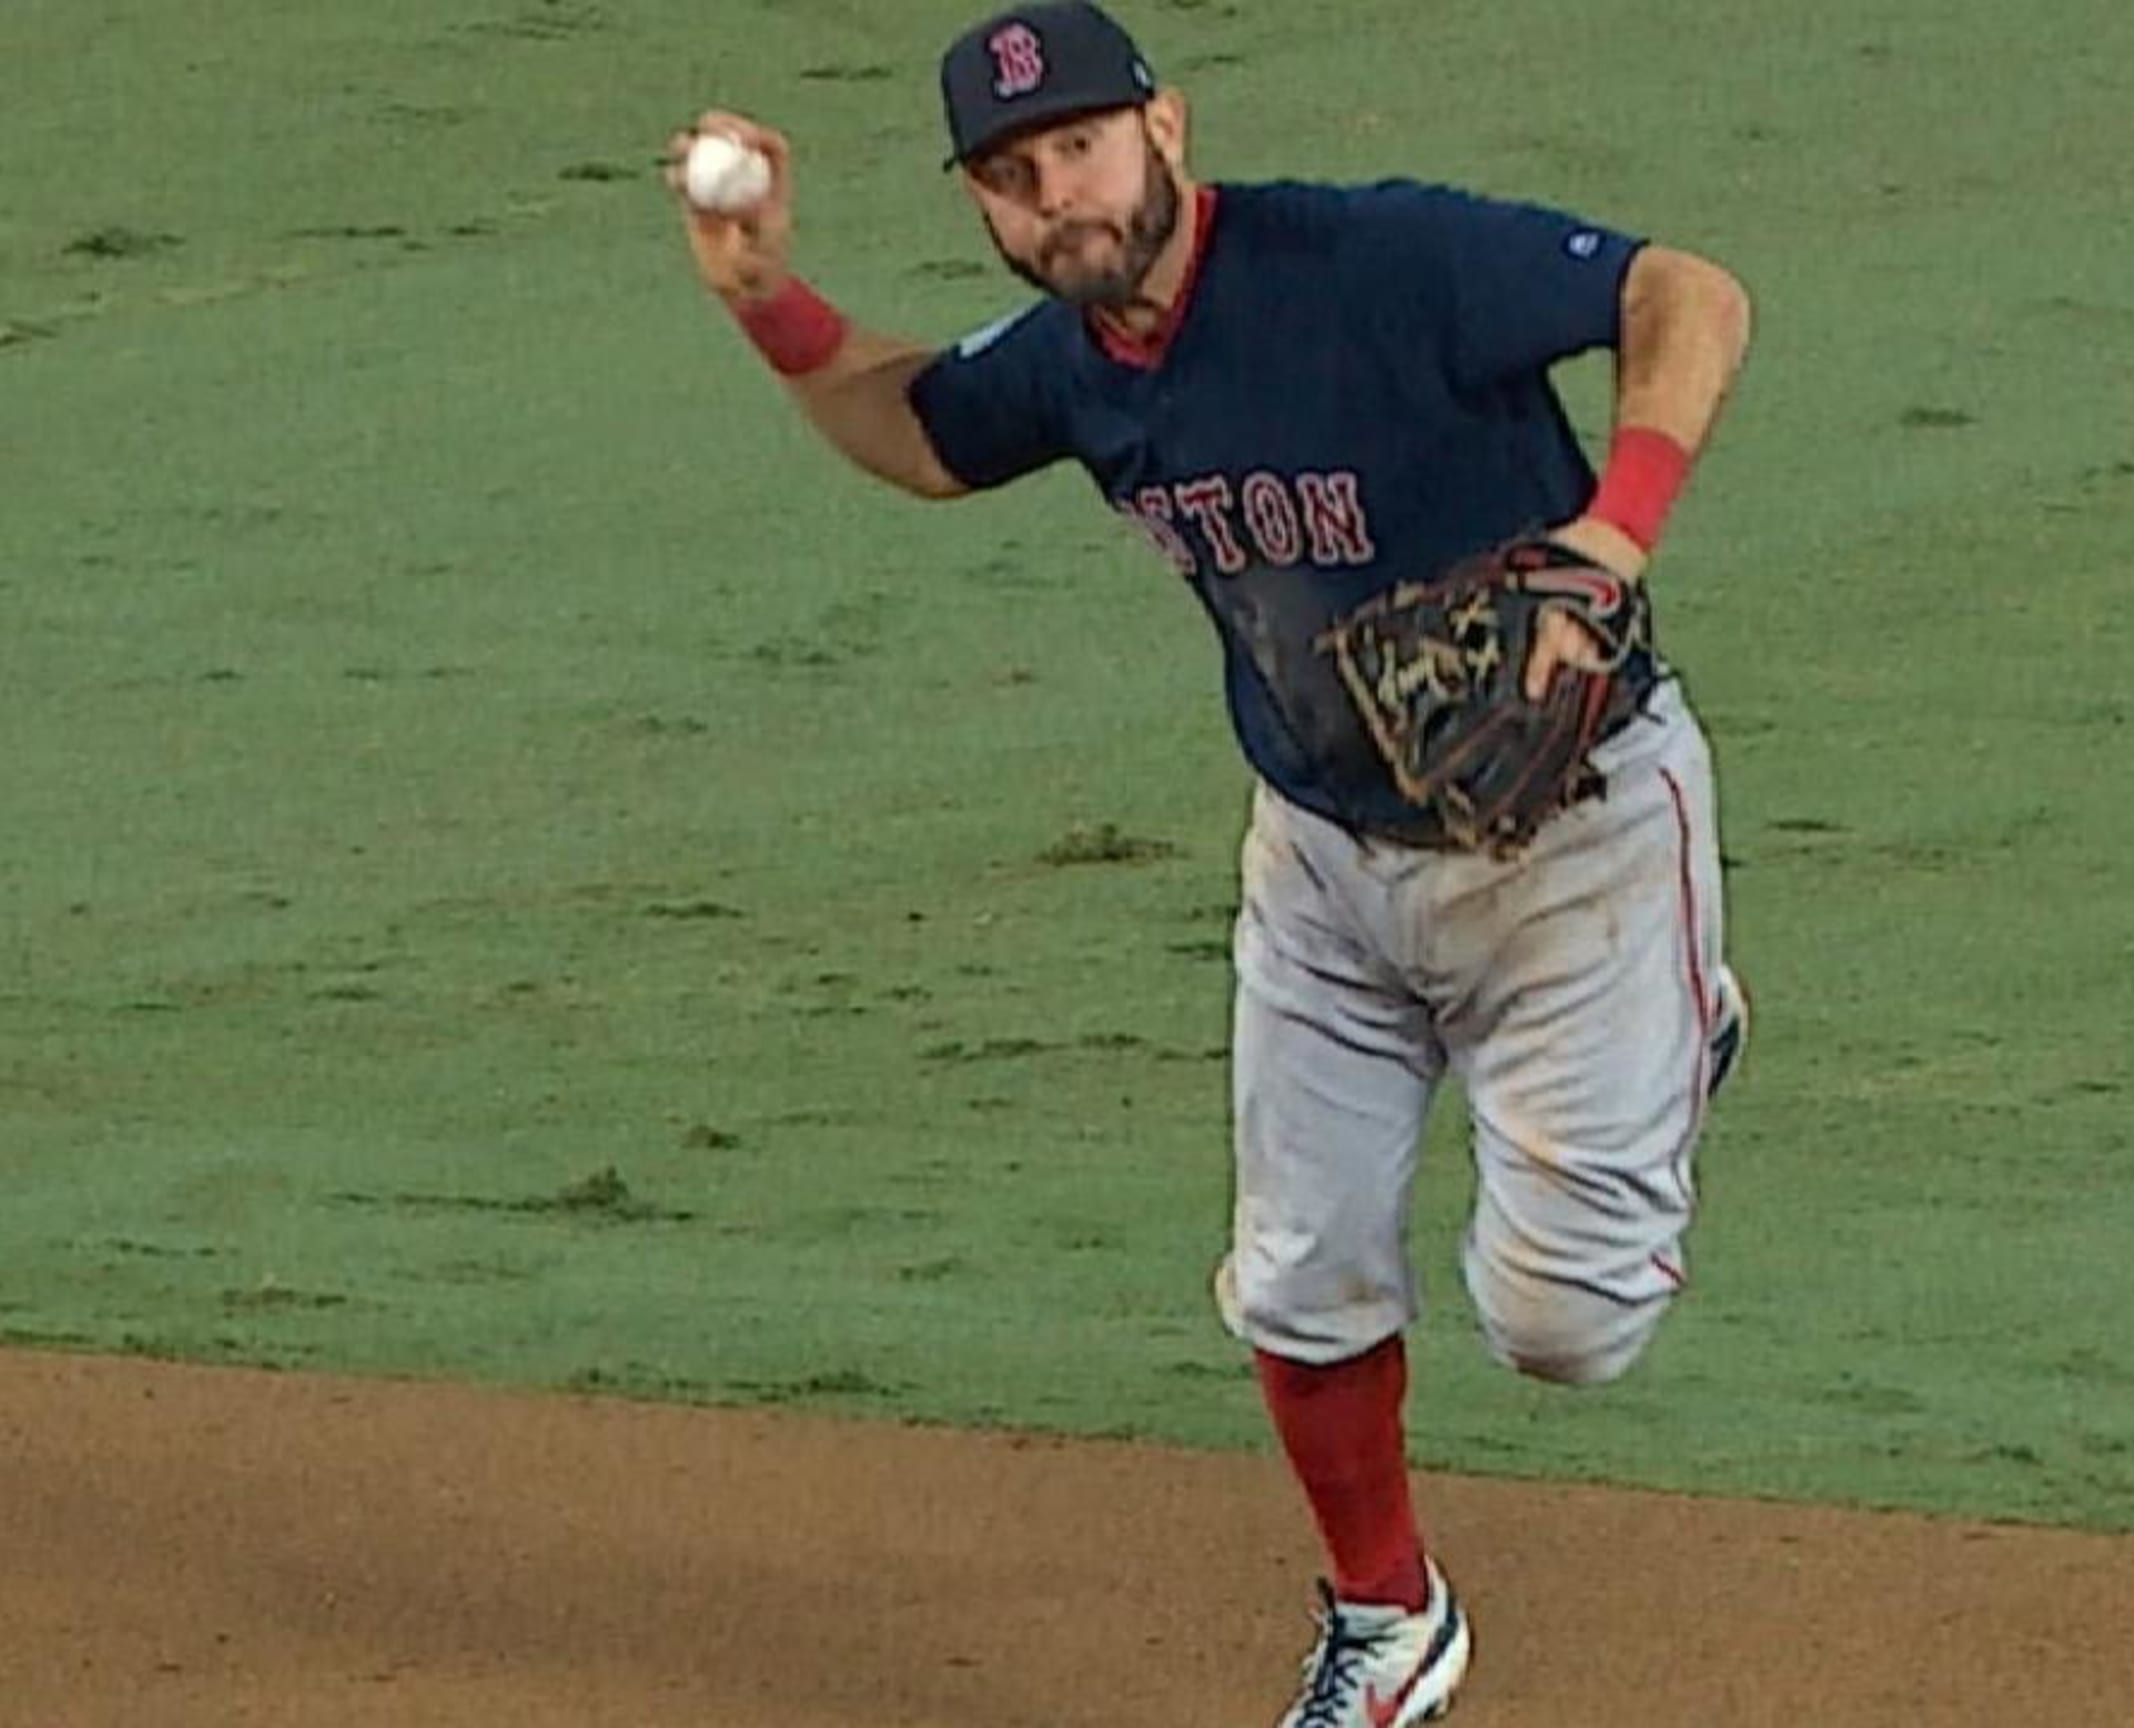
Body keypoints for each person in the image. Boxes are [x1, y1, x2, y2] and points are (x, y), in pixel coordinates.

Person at [664, 4, 1755, 1723]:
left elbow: (1683, 293)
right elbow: (925, 430)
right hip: (1321, 866)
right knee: (1296, 1274)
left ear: (1166, 127)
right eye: (1010, 178)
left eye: (1080, 147)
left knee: (1566, 1333)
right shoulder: (1077, 357)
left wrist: (1612, 529)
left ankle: (1678, 1021)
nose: (1056, 200)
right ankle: (1391, 1623)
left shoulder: (1369, 260)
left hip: (1576, 848)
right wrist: (758, 298)